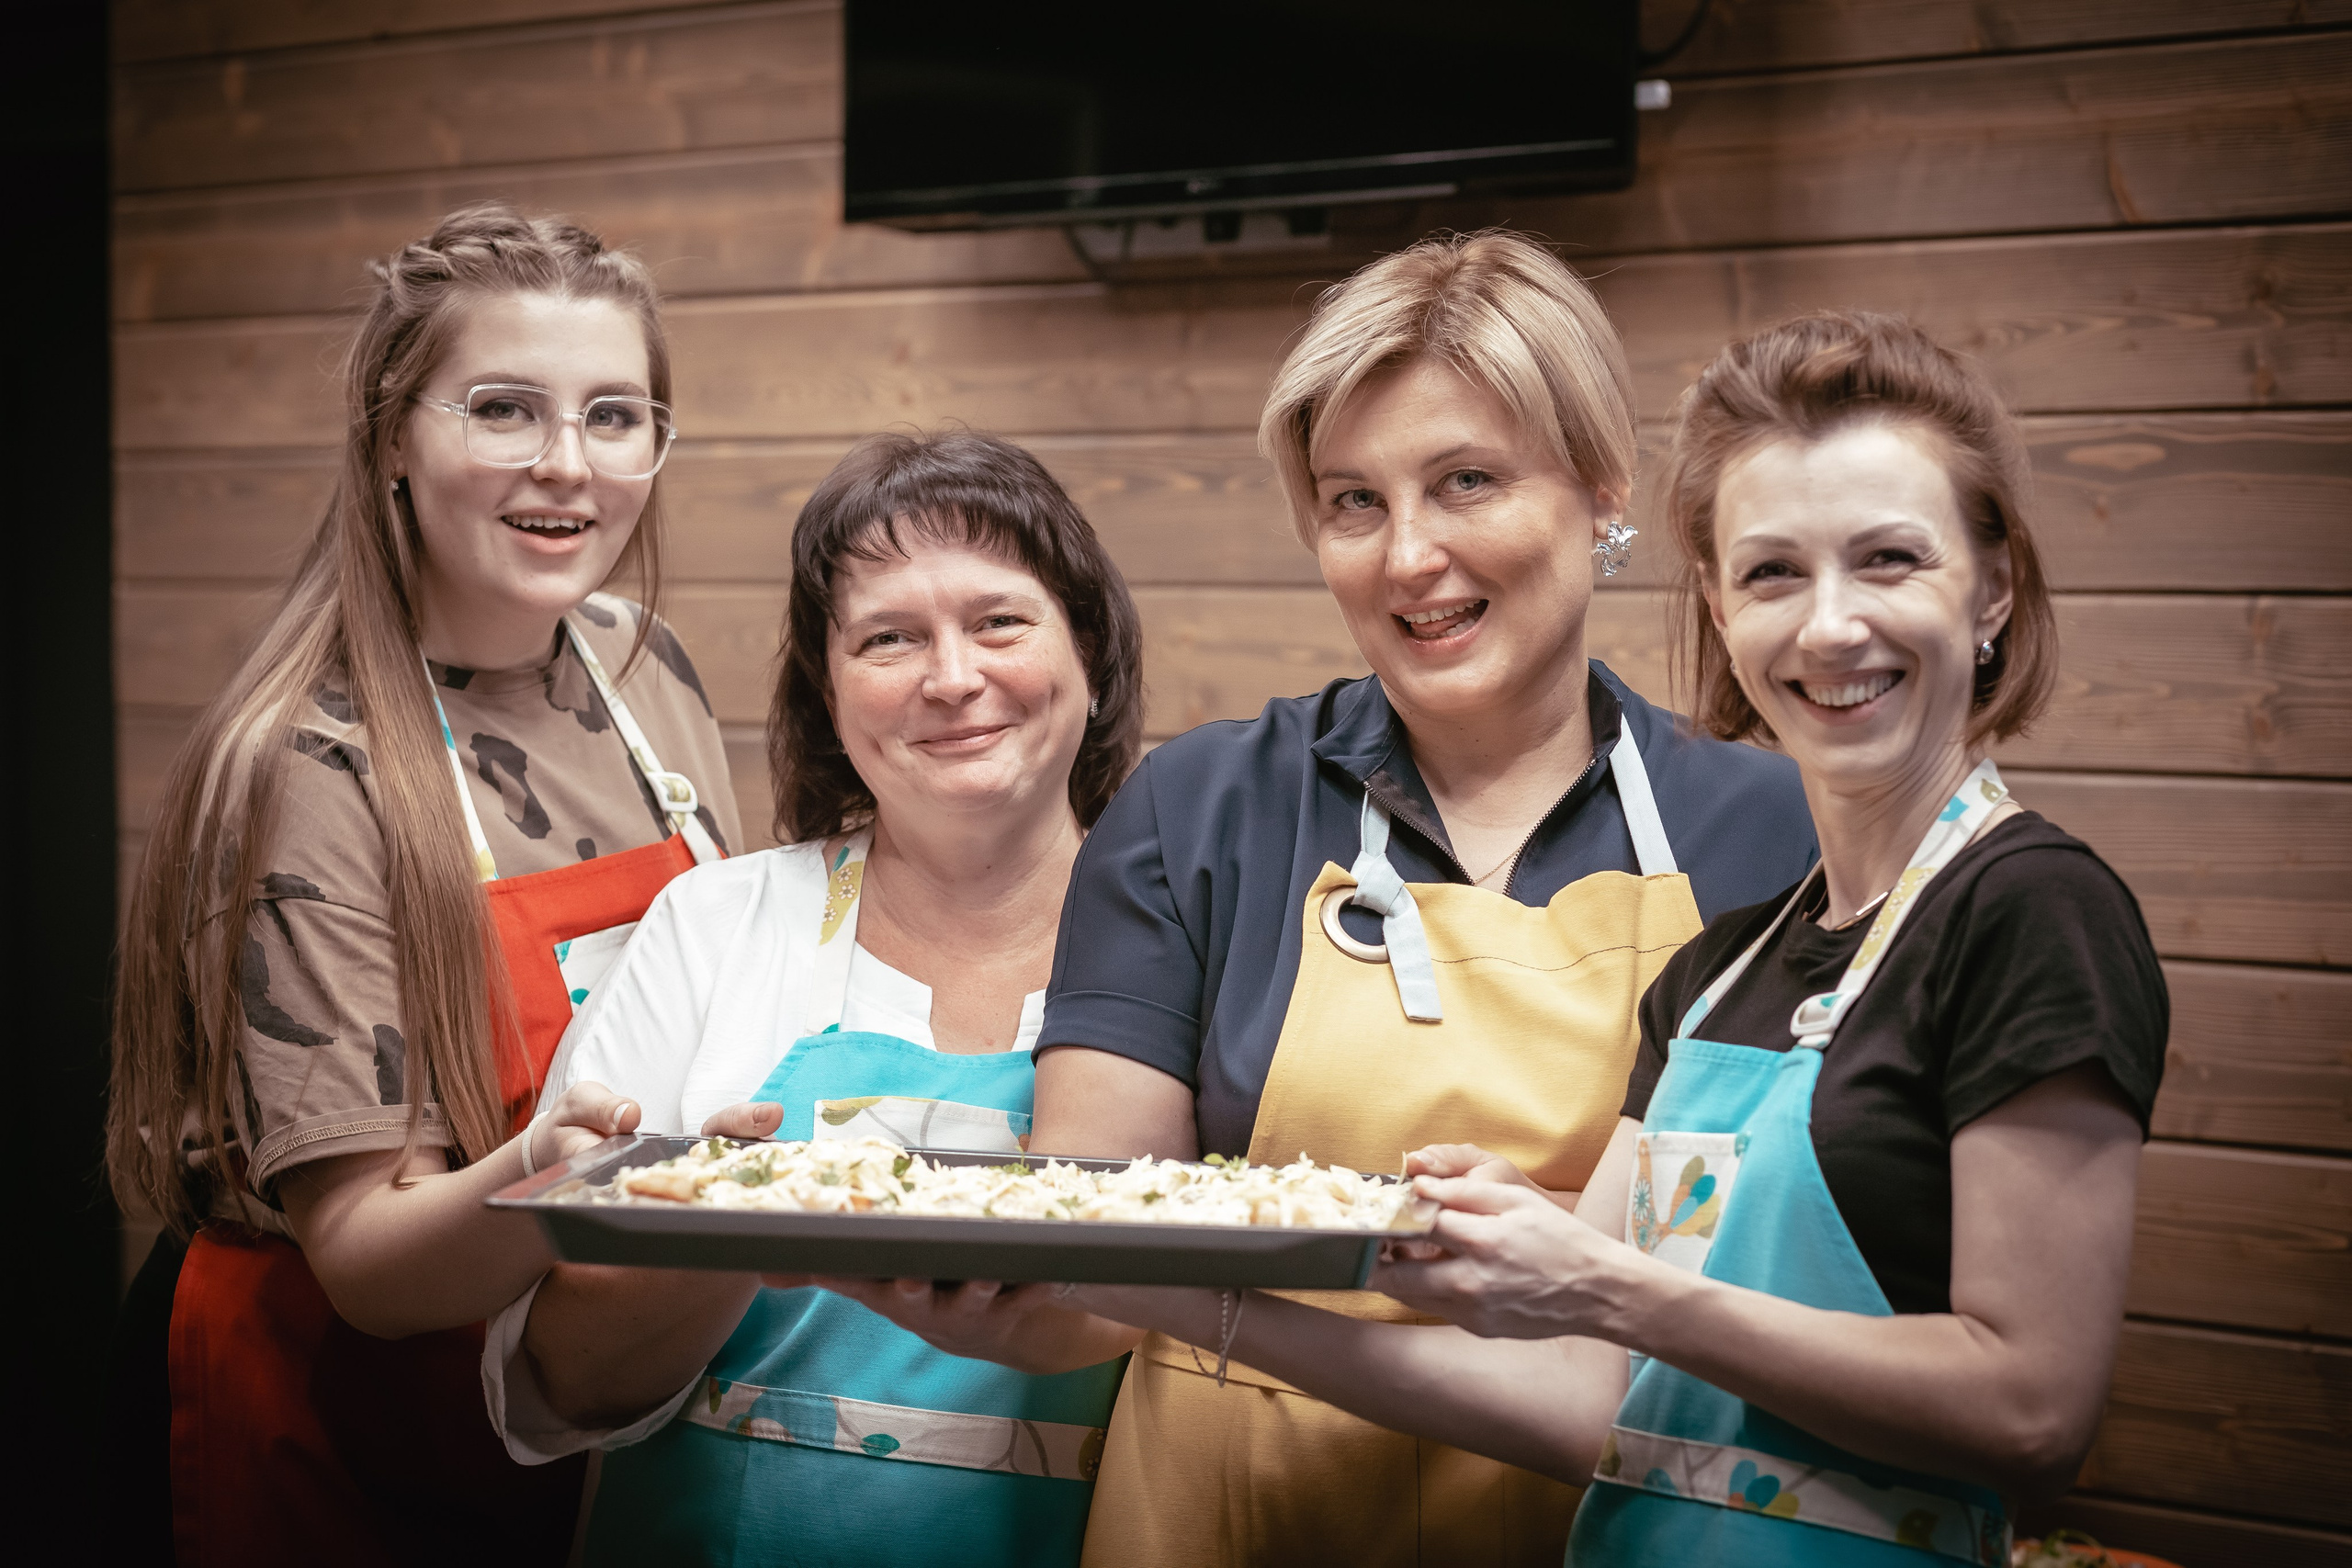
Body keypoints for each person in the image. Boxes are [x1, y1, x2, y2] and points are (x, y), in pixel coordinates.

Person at [1070, 310, 2167, 1568]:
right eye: (1770, 573)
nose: (1826, 626)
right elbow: (1583, 1395)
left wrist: (1609, 1284)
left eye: (1888, 561)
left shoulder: (2034, 909)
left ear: (1995, 587)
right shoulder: (1722, 970)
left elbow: (2032, 1411)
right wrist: (1195, 1300)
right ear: (1714, 599)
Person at [842, 231, 1818, 1565]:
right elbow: (1098, 1258)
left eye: (1466, 480)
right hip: (1220, 1517)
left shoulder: (1773, 834)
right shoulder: (1199, 811)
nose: (1410, 553)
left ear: (1602, 489)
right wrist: (986, 1291)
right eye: (1353, 500)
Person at [105, 202, 741, 1567]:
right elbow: (373, 1263)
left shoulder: (645, 667)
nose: (568, 466)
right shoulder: (305, 764)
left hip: (596, 1392)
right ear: (395, 434)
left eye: (615, 415)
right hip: (362, 1433)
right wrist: (555, 1176)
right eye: (504, 408)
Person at [482, 432, 1147, 1567]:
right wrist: (726, 1232)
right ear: (827, 693)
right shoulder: (716, 928)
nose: (950, 678)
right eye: (888, 638)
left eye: (999, 621)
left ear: (1088, 651)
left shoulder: (1192, 946)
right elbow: (553, 1392)